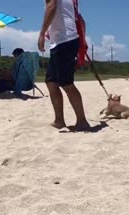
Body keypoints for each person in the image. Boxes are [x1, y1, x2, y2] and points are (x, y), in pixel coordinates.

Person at [38, 0, 91, 131]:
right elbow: (80, 20)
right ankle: (59, 120)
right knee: (51, 81)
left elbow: (51, 7)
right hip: (61, 41)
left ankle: (82, 121)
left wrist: (41, 33)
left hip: (65, 41)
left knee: (66, 83)